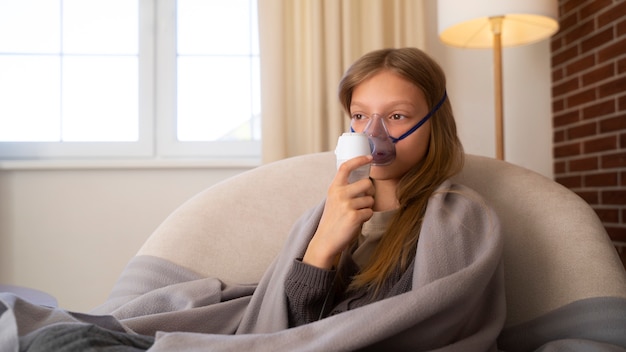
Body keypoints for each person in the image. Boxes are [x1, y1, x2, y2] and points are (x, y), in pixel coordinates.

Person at [284, 47, 501, 327]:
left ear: (435, 123)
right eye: (360, 116)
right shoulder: (323, 215)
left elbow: (413, 331)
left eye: (396, 116)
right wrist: (321, 247)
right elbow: (286, 329)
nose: (372, 133)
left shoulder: (458, 220)